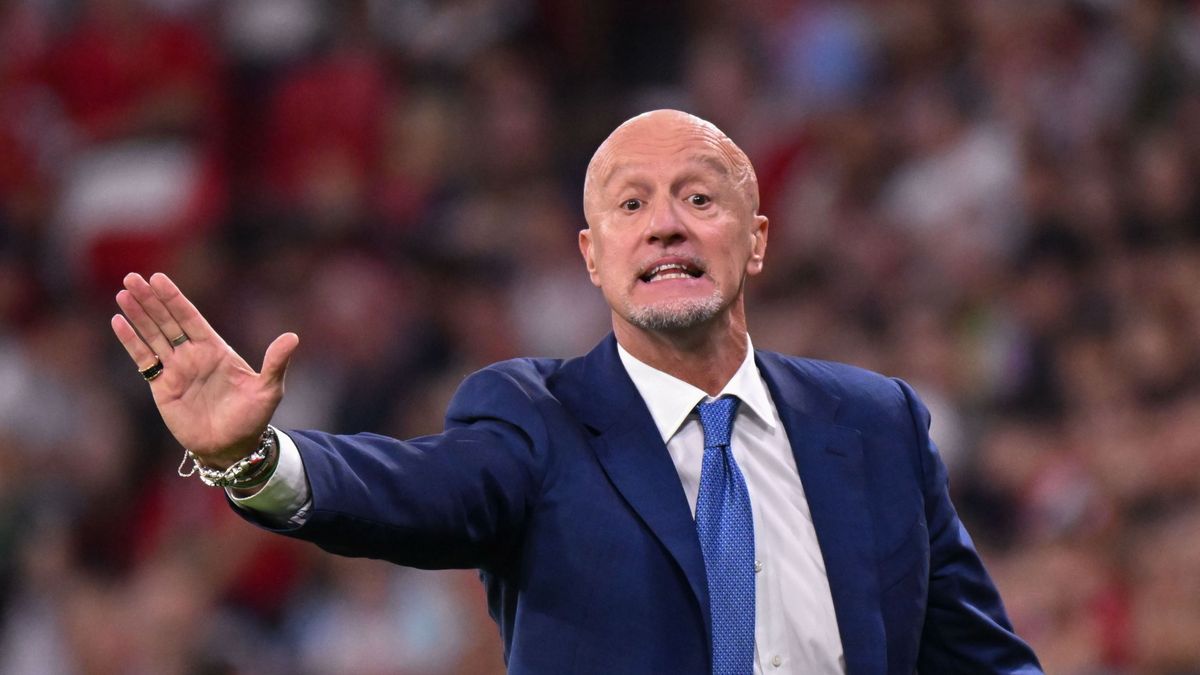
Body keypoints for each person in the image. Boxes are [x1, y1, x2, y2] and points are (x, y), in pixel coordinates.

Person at [111, 110, 1042, 674]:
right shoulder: (534, 419)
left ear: (756, 239)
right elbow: (411, 491)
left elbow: (979, 659)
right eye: (631, 205)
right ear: (594, 258)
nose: (666, 225)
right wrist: (254, 457)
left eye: (699, 198)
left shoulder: (877, 422)